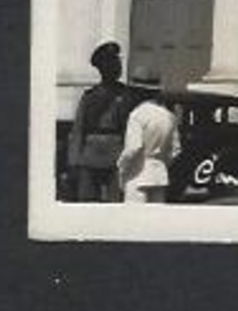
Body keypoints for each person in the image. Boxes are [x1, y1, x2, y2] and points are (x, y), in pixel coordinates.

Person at [67, 41, 132, 202]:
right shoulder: (89, 96)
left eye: (117, 63)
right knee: (87, 203)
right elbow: (78, 130)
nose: (116, 67)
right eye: (111, 63)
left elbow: (131, 129)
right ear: (102, 68)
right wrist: (74, 161)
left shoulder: (126, 95)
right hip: (90, 157)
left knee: (115, 204)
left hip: (116, 157)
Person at [117, 91, 180, 203]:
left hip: (137, 173)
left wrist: (121, 165)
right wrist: (162, 161)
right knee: (156, 217)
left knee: (135, 216)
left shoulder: (137, 115)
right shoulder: (169, 116)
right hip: (159, 175)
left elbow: (134, 147)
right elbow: (175, 150)